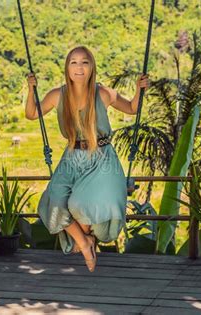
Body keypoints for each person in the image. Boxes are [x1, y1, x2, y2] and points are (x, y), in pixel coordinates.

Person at [25, 46, 149, 272]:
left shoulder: (103, 94)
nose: (79, 67)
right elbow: (32, 114)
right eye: (73, 62)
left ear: (92, 67)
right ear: (67, 68)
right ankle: (84, 242)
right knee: (52, 202)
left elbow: (132, 108)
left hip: (100, 157)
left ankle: (84, 241)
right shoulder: (57, 95)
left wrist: (140, 90)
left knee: (79, 204)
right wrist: (30, 89)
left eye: (84, 62)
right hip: (72, 157)